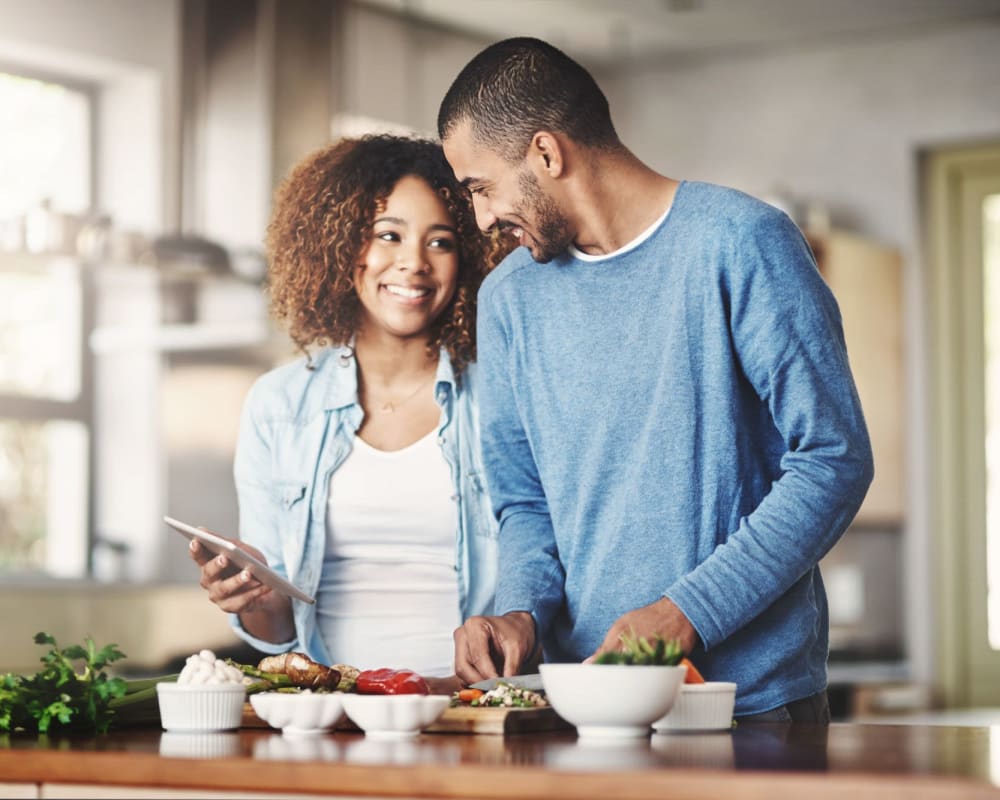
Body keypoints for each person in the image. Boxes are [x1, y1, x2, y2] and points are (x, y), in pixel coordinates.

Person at [438, 37, 874, 721]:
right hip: (581, 705)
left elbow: (833, 459)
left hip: (748, 709)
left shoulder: (741, 243)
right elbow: (525, 502)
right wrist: (519, 610)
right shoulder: (508, 300)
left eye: (481, 187)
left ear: (547, 154)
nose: (482, 218)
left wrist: (686, 614)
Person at [188, 134, 510, 692]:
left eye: (441, 242)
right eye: (389, 235)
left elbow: (542, 577)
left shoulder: (503, 397)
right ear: (341, 248)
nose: (413, 263)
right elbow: (279, 635)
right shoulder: (278, 406)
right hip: (331, 715)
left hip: (469, 711)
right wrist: (253, 597)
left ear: (468, 259)